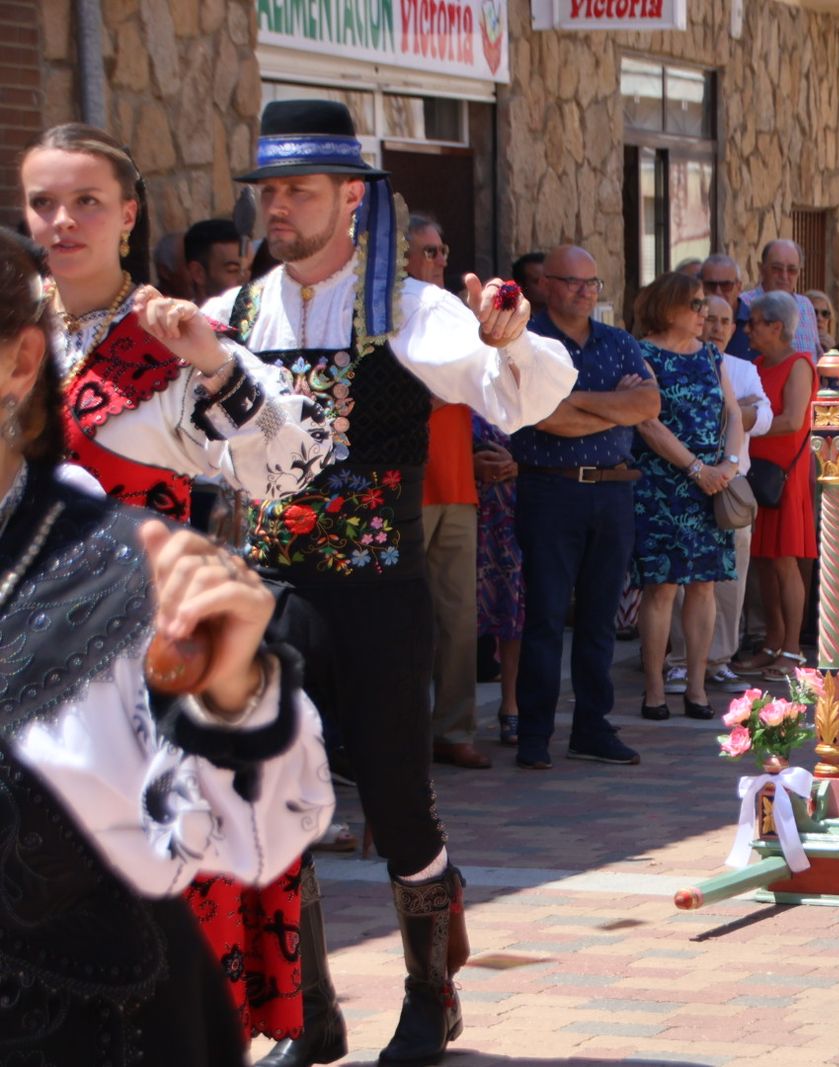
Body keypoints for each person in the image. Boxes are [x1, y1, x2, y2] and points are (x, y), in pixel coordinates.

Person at [204, 99, 578, 1067]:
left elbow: (520, 398)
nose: (278, 207)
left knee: (399, 800)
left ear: (353, 201)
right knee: (267, 792)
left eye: (299, 190)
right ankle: (308, 1004)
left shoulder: (413, 310)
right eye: (270, 191)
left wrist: (509, 338)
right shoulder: (230, 315)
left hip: (377, 586)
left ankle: (429, 993)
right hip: (272, 586)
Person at [21, 122, 337, 1049]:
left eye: (86, 202)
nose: (63, 220)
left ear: (128, 216)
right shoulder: (16, 331)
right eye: (44, 201)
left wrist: (212, 360)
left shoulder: (168, 336)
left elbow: (290, 467)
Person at [515, 243, 660, 768]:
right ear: (546, 285)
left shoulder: (618, 342)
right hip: (550, 489)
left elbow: (648, 404)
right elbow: (541, 417)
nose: (584, 291)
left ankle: (592, 727)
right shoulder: (529, 343)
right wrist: (612, 408)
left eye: (592, 283)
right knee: (547, 615)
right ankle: (534, 733)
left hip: (614, 490)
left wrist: (573, 400)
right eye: (573, 282)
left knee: (601, 617)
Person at [630, 272, 744, 719]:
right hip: (661, 486)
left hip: (712, 486)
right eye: (695, 305)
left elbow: (733, 413)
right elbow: (646, 421)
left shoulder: (712, 356)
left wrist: (728, 467)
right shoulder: (642, 354)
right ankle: (655, 688)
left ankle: (696, 687)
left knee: (704, 586)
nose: (705, 315)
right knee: (660, 587)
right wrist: (695, 468)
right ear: (668, 307)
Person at [406, 213, 490, 769]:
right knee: (403, 620)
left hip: (457, 482)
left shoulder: (455, 314)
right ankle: (403, 733)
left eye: (442, 250)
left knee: (460, 618)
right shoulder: (387, 316)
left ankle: (453, 729)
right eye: (428, 252)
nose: (439, 261)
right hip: (403, 486)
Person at [665, 292, 771, 694]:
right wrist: (733, 411)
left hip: (731, 487)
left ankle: (720, 659)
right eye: (710, 319)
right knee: (679, 578)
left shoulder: (742, 369)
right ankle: (678, 661)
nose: (717, 328)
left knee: (730, 579)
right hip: (681, 482)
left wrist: (735, 413)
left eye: (727, 321)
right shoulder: (674, 361)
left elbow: (764, 417)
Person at [732, 291, 816, 683]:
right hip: (756, 469)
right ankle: (772, 643)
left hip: (783, 474)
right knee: (764, 562)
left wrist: (740, 420)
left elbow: (793, 420)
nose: (746, 329)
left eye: (754, 322)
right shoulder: (758, 364)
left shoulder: (800, 365)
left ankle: (793, 650)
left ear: (776, 327)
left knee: (784, 561)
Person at [472, 412, 521, 744]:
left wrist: (520, 464)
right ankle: (453, 720)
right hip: (466, 503)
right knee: (458, 610)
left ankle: (511, 706)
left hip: (517, 508)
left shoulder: (528, 383)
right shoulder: (458, 379)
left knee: (514, 603)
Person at [740, 240, 821, 359]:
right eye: (777, 268)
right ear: (762, 269)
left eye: (792, 270)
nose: (784, 276)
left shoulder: (806, 306)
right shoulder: (744, 304)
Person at [184, 216, 247, 299]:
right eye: (234, 270)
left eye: (250, 268)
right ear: (198, 273)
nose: (246, 278)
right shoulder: (184, 312)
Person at [700, 253, 750, 358]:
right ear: (701, 286)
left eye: (726, 285)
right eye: (711, 285)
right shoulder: (690, 321)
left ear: (739, 287)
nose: (718, 292)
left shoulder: (756, 324)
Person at [511, 249, 547, 316]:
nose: (546, 285)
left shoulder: (565, 318)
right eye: (537, 281)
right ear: (520, 286)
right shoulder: (511, 318)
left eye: (548, 279)